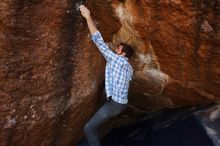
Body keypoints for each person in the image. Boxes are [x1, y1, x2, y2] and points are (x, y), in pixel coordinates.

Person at [79, 5, 134, 146]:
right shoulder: (129, 67)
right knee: (104, 94)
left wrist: (88, 16)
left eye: (118, 48)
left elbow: (99, 41)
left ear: (122, 54)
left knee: (88, 128)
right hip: (121, 103)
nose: (115, 48)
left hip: (115, 105)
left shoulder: (117, 59)